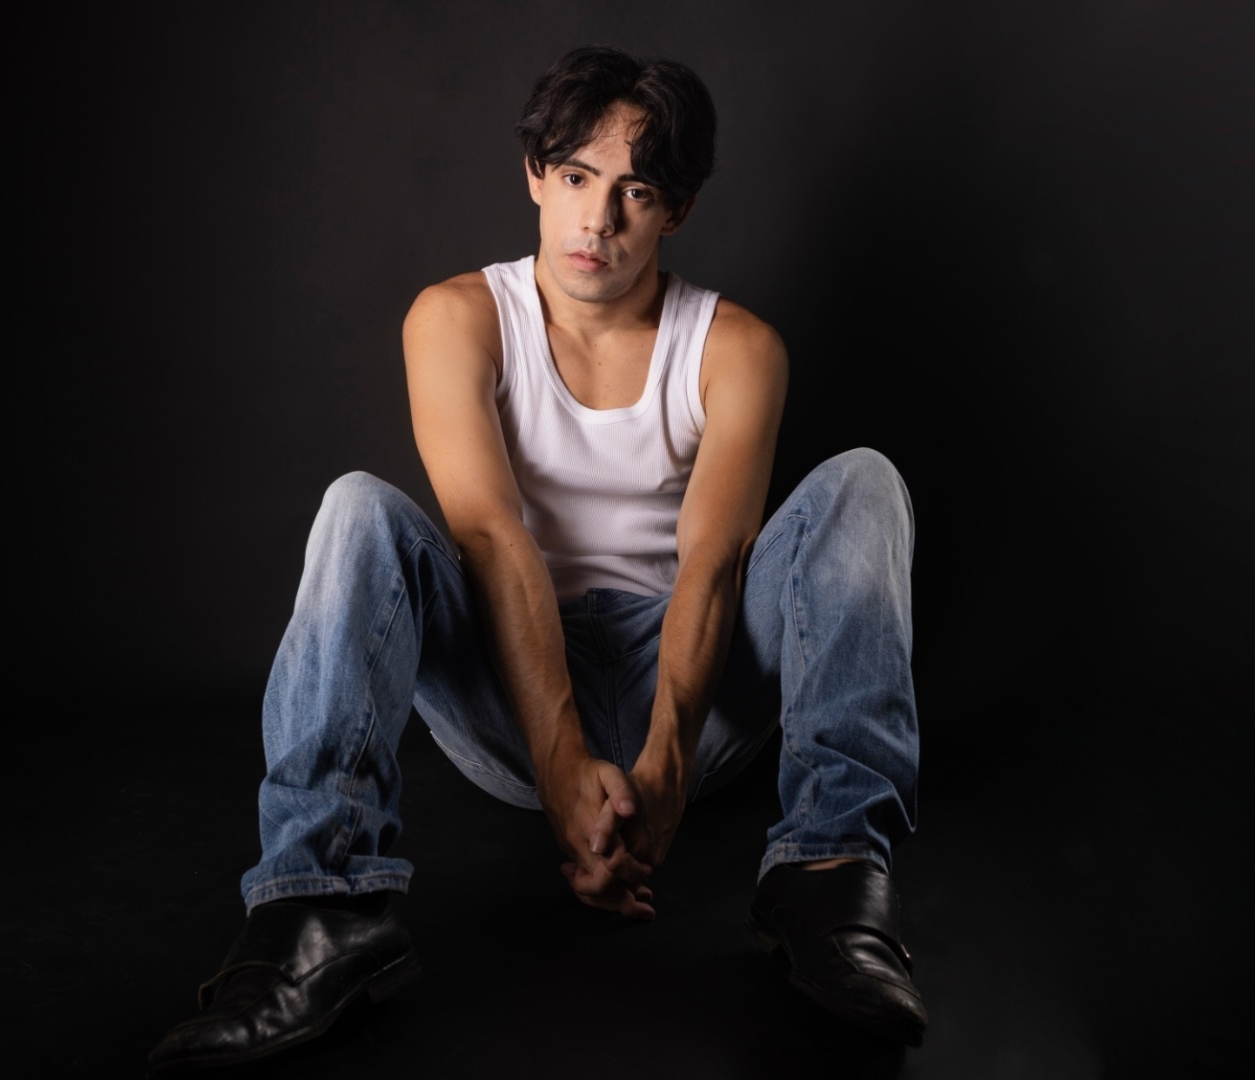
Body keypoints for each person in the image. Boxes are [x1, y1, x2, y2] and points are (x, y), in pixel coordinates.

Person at [147, 44, 926, 1074]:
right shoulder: (457, 317)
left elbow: (712, 563)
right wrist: (561, 776)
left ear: (675, 209)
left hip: (691, 680)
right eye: (573, 177)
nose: (595, 221)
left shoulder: (735, 347)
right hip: (509, 690)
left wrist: (664, 775)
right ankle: (318, 911)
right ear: (533, 175)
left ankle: (830, 881)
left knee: (864, 484)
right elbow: (487, 535)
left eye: (632, 191)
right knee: (357, 509)